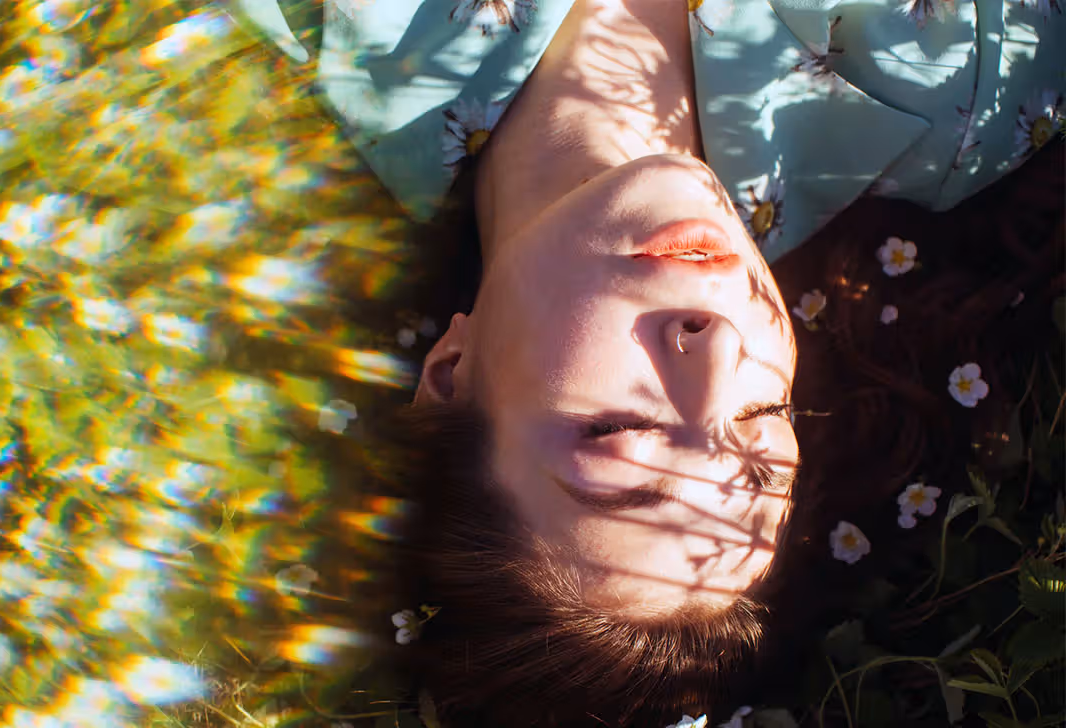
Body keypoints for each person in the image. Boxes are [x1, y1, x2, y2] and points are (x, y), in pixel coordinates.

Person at [233, 0, 1063, 723]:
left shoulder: (299, 24)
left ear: (451, 375)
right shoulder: (970, 91)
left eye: (618, 430)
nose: (722, 348)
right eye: (760, 420)